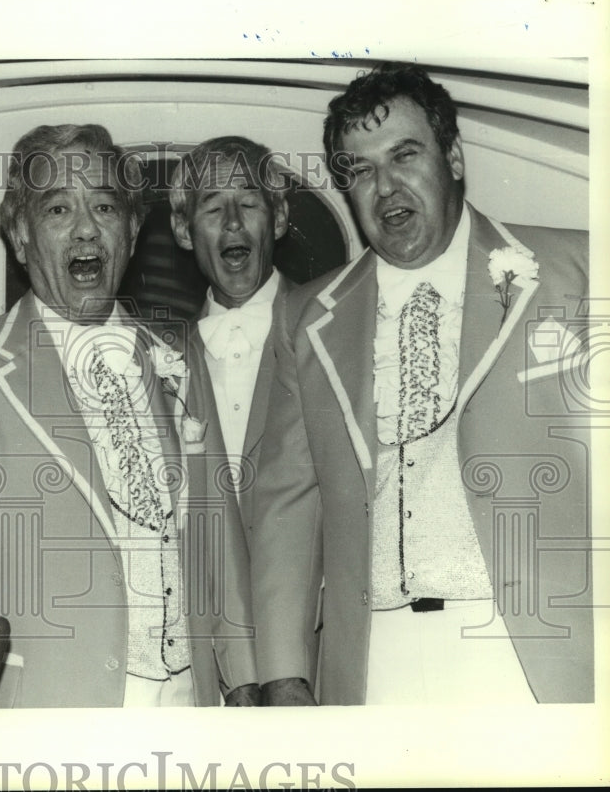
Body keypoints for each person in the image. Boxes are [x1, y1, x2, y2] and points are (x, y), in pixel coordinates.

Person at [252, 62, 592, 705]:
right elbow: (285, 508)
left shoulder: (575, 271)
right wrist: (286, 676)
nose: (386, 188)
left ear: (454, 158)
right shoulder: (307, 317)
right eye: (361, 171)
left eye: (405, 156)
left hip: (533, 657)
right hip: (376, 665)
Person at [0, 123, 258, 707]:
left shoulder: (177, 358)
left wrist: (242, 679)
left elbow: (218, 536)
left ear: (133, 231)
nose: (87, 228)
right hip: (43, 714)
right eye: (59, 208)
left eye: (106, 207)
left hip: (192, 707)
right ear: (19, 236)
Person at [169, 135, 291, 530]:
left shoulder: (332, 332)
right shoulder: (160, 362)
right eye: (213, 207)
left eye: (250, 203)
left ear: (280, 217)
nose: (234, 221)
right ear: (183, 231)